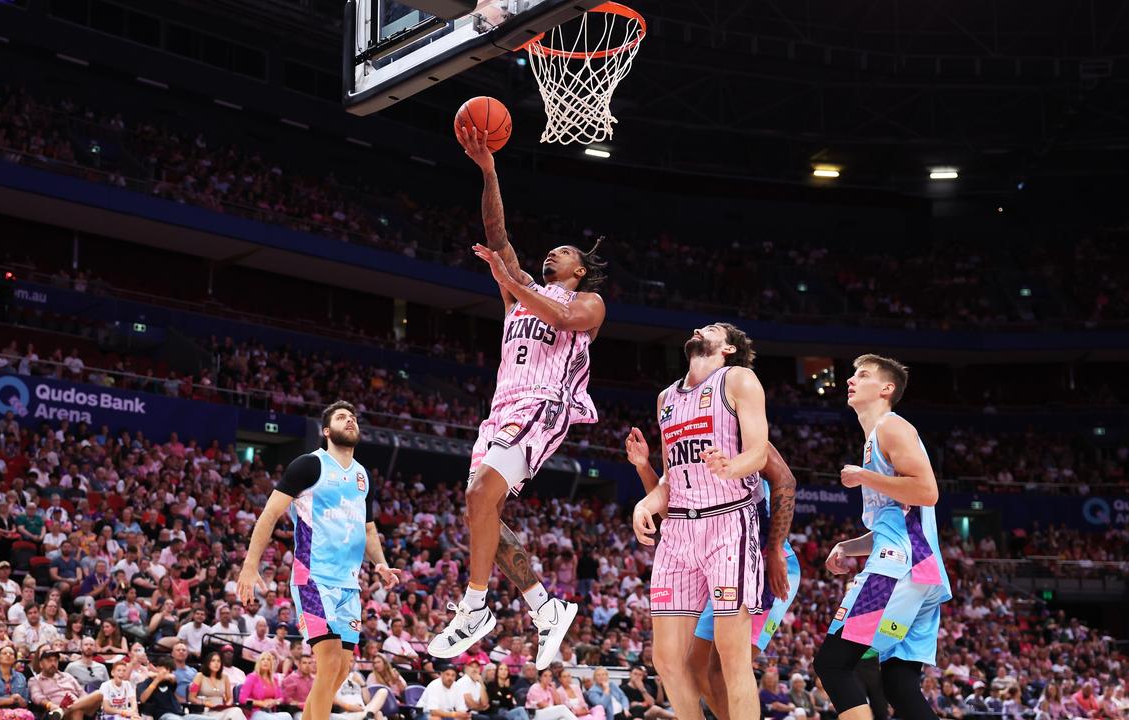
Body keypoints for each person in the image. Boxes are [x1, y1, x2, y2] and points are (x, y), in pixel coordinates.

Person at [427, 126, 606, 667]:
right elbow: (495, 227)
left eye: (564, 251)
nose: (553, 252)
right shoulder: (522, 289)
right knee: (481, 510)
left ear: (578, 269)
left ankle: (475, 608)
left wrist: (511, 281)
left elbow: (559, 313)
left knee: (482, 493)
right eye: (550, 249)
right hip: (501, 410)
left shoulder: (589, 302)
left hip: (543, 405)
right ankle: (544, 607)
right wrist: (487, 170)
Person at [625, 324, 770, 720]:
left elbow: (758, 452)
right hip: (678, 532)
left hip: (728, 522)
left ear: (727, 348)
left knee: (731, 655)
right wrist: (645, 504)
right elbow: (672, 478)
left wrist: (732, 465)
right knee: (668, 660)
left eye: (710, 329)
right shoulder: (665, 398)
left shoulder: (739, 379)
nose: (697, 330)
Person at [237, 402, 399, 720]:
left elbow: (368, 527)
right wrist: (249, 565)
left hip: (349, 585)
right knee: (327, 663)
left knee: (340, 671)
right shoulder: (309, 466)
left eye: (353, 417)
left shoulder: (363, 476)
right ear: (326, 431)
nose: (349, 420)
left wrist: (379, 562)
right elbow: (270, 513)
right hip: (313, 578)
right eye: (341, 417)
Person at [812, 355, 951, 720]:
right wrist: (848, 546)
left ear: (886, 388)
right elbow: (897, 522)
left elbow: (926, 491)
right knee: (898, 683)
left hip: (897, 572)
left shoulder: (891, 427)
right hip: (919, 573)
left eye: (863, 375)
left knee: (834, 664)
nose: (850, 380)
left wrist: (864, 477)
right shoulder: (876, 438)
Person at [630, 435, 799, 720]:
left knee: (728, 666)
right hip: (719, 560)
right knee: (696, 665)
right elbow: (671, 510)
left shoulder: (742, 434)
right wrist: (644, 467)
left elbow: (786, 480)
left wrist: (775, 551)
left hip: (764, 559)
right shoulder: (683, 444)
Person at [27, 647, 103, 720]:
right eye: (49, 661)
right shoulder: (35, 680)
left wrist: (79, 703)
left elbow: (81, 693)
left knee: (99, 694)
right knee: (77, 711)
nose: (53, 663)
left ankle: (68, 709)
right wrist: (51, 705)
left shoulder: (67, 676)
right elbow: (37, 697)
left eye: (55, 660)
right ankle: (69, 709)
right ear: (41, 664)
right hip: (55, 712)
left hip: (77, 708)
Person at [138, 658, 212, 720]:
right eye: (166, 668)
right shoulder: (146, 682)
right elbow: (142, 699)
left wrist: (157, 675)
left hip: (181, 714)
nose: (168, 672)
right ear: (156, 667)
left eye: (170, 670)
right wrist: (156, 680)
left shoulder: (169, 682)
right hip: (163, 715)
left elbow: (172, 677)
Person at [0, 646, 34, 720]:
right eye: (4, 653)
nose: (8, 655)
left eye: (11, 654)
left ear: (15, 659)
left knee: (29, 715)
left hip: (18, 711)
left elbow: (26, 702)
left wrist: (20, 699)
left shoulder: (21, 677)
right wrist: (8, 700)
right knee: (9, 716)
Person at [187, 652, 245, 720]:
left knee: (236, 711)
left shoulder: (225, 677)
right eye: (213, 660)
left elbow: (230, 698)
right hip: (205, 710)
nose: (216, 663)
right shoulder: (199, 676)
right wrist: (204, 703)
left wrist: (227, 704)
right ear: (208, 662)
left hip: (220, 710)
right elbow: (191, 698)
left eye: (218, 661)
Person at [239, 652, 293, 720]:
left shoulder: (274, 680)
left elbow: (282, 698)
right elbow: (242, 699)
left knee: (287, 716)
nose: (265, 661)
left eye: (268, 660)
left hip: (270, 712)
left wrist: (274, 702)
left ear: (271, 664)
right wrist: (260, 703)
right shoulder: (252, 677)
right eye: (263, 659)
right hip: (256, 712)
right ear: (259, 662)